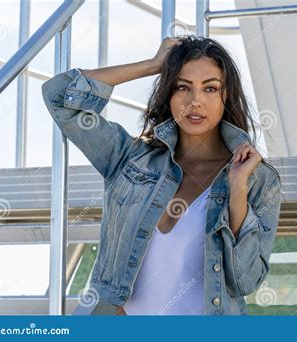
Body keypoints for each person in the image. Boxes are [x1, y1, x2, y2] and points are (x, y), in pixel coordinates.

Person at [42, 35, 282, 316]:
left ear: (225, 96)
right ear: (168, 93)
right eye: (183, 86)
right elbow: (60, 98)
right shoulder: (130, 160)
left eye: (210, 89)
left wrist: (237, 190)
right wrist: (152, 65)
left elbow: (246, 279)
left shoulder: (257, 179)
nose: (195, 101)